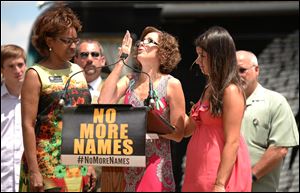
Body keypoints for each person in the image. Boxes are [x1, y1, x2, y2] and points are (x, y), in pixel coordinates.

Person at [19, 4, 97, 192]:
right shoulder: (35, 74)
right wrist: (34, 170)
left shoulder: (78, 71)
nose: (73, 46)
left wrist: (91, 163)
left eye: (75, 40)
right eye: (66, 40)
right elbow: (27, 125)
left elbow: (85, 121)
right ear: (49, 41)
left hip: (78, 163)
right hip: (46, 164)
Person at [98, 26, 186, 191]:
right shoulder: (129, 79)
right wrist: (120, 62)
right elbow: (104, 100)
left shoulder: (172, 84)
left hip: (155, 166)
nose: (141, 44)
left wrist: (147, 128)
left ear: (163, 52)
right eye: (141, 41)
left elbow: (179, 134)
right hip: (126, 165)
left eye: (150, 41)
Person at [182, 26, 252, 192]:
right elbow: (187, 129)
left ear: (218, 57)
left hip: (219, 176)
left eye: (203, 56)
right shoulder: (210, 88)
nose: (197, 61)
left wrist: (220, 184)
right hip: (199, 172)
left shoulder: (231, 91)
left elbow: (232, 141)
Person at [236, 50, 299, 192]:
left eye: (242, 70)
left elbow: (280, 149)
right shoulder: (222, 103)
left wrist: (249, 178)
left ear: (257, 70)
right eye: (232, 71)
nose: (236, 76)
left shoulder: (275, 101)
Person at [1, 44, 27, 192]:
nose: (17, 70)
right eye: (11, 66)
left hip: (29, 178)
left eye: (20, 64)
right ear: (2, 70)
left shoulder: (39, 98)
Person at [74, 39, 107, 104]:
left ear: (103, 61)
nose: (89, 59)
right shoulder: (68, 88)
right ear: (76, 61)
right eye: (84, 55)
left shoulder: (113, 88)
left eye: (95, 54)